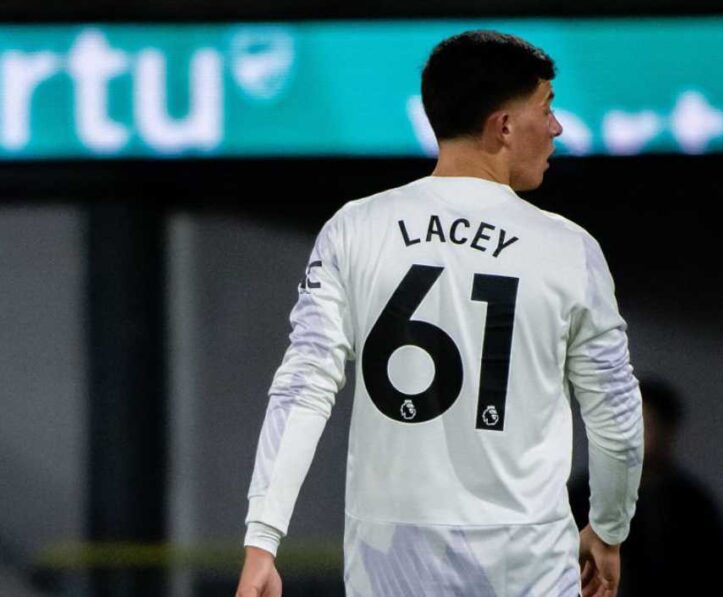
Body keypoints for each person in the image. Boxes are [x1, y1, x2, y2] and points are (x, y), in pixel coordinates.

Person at [234, 30, 643, 597]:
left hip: (389, 556)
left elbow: (302, 387)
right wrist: (609, 528)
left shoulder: (355, 228)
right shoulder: (569, 249)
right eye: (547, 107)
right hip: (526, 556)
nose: (556, 127)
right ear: (503, 126)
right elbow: (616, 417)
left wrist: (263, 538)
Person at [570, 377, 723, 596]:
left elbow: (718, 576)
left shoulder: (692, 507)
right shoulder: (586, 494)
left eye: (647, 425)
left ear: (668, 432)